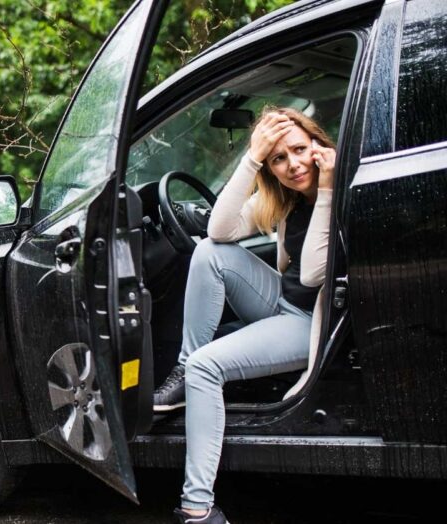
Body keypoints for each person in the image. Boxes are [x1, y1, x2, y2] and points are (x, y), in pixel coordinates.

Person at [152, 107, 336, 524]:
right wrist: (250, 157)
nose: (293, 165)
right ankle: (182, 370)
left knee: (207, 367)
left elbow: (312, 273)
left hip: (312, 324)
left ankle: (195, 509)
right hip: (282, 300)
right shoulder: (284, 199)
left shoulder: (341, 188)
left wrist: (325, 188)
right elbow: (218, 230)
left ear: (317, 145)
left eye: (299, 150)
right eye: (279, 159)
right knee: (209, 253)